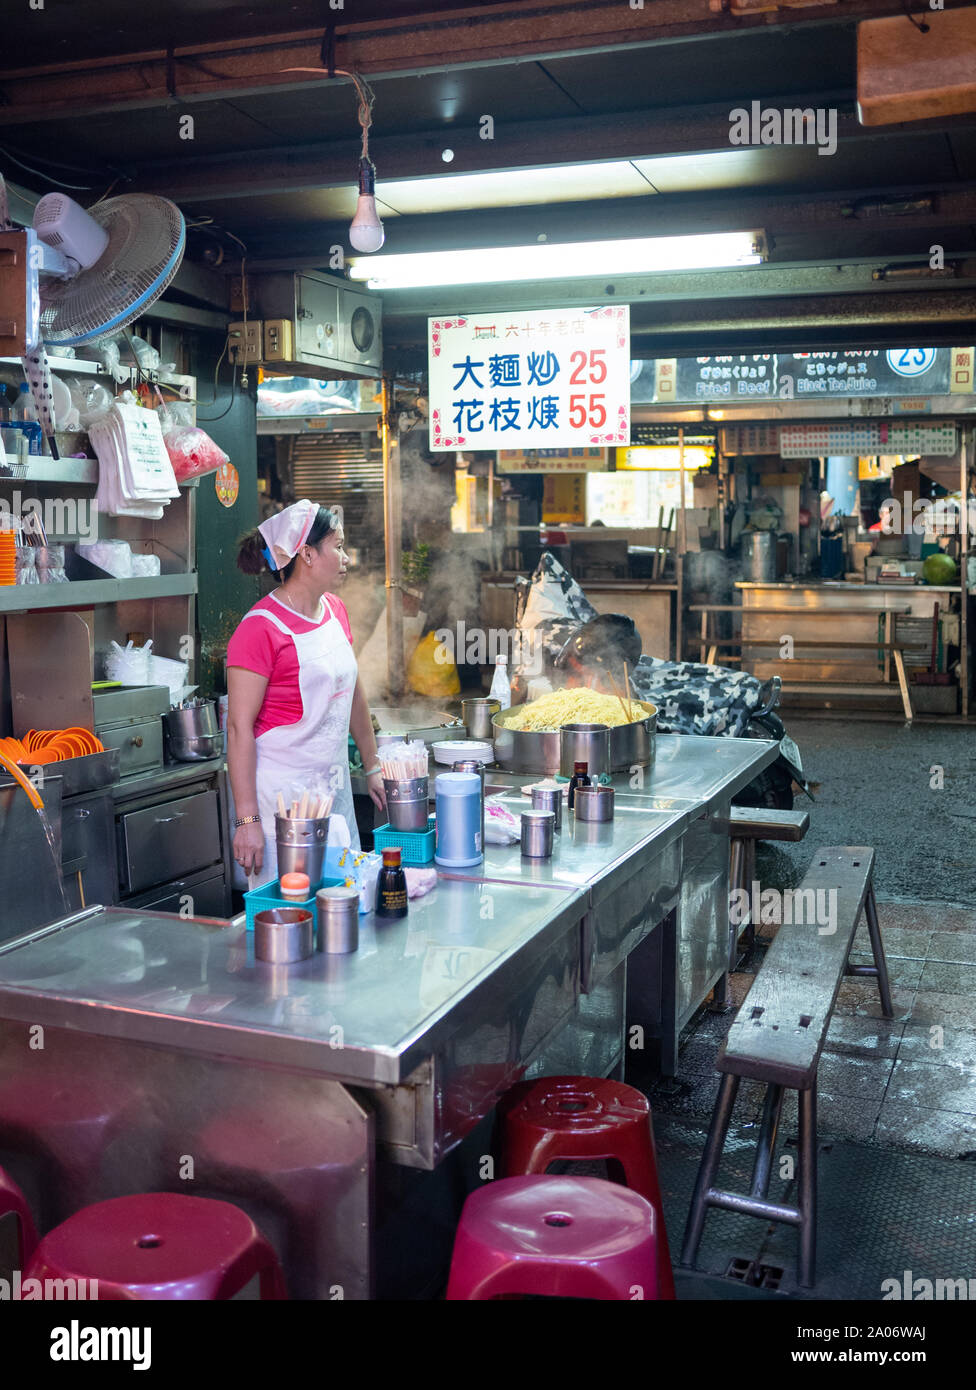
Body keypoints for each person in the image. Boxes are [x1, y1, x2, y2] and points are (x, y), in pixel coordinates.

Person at [226, 499, 386, 885]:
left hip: (333, 794)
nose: (347, 557)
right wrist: (247, 821)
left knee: (343, 905)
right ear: (308, 555)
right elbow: (237, 729)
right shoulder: (259, 629)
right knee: (290, 918)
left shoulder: (335, 610)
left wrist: (373, 763)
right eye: (339, 546)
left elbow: (353, 693)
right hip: (280, 804)